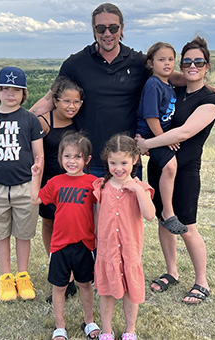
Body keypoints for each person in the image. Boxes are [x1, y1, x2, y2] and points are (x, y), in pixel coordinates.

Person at [30, 3, 208, 178]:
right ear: (94, 30)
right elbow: (49, 100)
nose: (107, 33)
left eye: (113, 28)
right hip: (86, 162)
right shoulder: (75, 64)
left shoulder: (138, 62)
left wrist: (212, 89)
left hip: (126, 163)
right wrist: (18, 121)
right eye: (101, 28)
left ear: (122, 28)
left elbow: (174, 77)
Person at [136, 36, 215, 304]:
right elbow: (165, 74)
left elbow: (184, 132)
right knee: (163, 220)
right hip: (160, 166)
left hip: (184, 171)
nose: (192, 65)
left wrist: (146, 143)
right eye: (187, 61)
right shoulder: (175, 88)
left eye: (199, 61)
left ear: (207, 65)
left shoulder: (209, 100)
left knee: (187, 227)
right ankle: (172, 272)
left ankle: (201, 282)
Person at [0, 66, 44, 301]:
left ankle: (23, 275)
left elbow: (39, 156)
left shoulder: (30, 120)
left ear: (24, 94)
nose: (10, 94)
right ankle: (6, 278)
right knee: (1, 234)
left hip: (24, 186)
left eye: (16, 89)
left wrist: (35, 185)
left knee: (24, 234)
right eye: (5, 89)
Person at [31, 131, 100, 340]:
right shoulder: (55, 182)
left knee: (85, 285)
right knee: (59, 287)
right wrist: (36, 175)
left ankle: (89, 321)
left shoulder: (94, 182)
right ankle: (60, 327)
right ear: (60, 158)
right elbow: (35, 199)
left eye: (77, 157)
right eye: (67, 156)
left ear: (87, 160)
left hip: (85, 244)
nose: (72, 161)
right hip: (59, 245)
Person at [93, 134, 155, 340]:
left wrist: (137, 189)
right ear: (107, 161)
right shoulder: (102, 186)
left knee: (131, 291)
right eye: (113, 163)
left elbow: (149, 215)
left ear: (135, 160)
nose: (118, 168)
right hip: (107, 251)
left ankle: (130, 330)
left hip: (130, 251)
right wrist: (95, 239)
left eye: (124, 163)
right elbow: (98, 217)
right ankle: (107, 330)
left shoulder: (140, 188)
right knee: (106, 291)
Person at [38, 76, 84, 301]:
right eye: (66, 101)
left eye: (76, 102)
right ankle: (58, 270)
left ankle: (73, 274)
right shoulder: (43, 122)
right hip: (49, 184)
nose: (71, 106)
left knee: (71, 229)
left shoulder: (80, 121)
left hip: (73, 185)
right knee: (49, 224)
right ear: (55, 101)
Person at [136, 41, 187, 235]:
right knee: (170, 166)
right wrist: (164, 138)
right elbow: (151, 117)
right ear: (151, 63)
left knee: (168, 168)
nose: (167, 63)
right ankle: (167, 212)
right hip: (151, 134)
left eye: (171, 59)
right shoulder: (153, 84)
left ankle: (164, 208)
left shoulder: (168, 83)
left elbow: (188, 80)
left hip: (159, 135)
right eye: (161, 59)